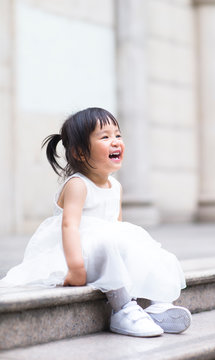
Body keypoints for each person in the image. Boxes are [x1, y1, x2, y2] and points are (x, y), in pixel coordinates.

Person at [0, 107, 191, 337]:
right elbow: (69, 226)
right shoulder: (78, 185)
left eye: (118, 135)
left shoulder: (116, 187)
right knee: (106, 247)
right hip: (78, 253)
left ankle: (159, 305)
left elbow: (117, 227)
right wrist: (76, 268)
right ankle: (123, 309)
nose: (115, 141)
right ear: (80, 152)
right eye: (105, 137)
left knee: (153, 252)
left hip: (105, 251)